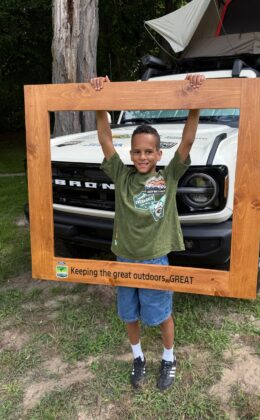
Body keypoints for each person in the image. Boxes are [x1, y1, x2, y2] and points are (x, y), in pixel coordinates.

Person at [90, 73, 205, 391]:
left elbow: (188, 141)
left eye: (148, 152)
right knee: (129, 314)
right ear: (131, 155)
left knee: (160, 314)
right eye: (137, 152)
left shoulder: (168, 177)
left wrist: (193, 103)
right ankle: (138, 356)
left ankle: (169, 357)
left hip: (155, 260)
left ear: (158, 155)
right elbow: (105, 139)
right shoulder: (121, 176)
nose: (142, 157)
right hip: (125, 259)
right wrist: (101, 102)